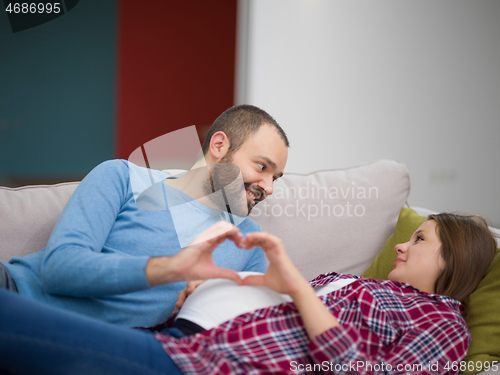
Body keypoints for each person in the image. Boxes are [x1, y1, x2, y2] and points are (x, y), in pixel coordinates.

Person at [0, 213, 496, 375]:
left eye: (420, 239)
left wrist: (295, 284)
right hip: (189, 346)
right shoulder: (368, 286)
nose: (403, 246)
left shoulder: (444, 329)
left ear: (453, 259)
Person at [0, 104, 289, 327]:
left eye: (276, 177)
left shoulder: (250, 241)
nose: (269, 187)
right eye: (262, 167)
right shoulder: (122, 177)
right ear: (218, 146)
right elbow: (59, 268)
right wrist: (171, 269)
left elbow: (251, 327)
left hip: (98, 351)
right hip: (15, 296)